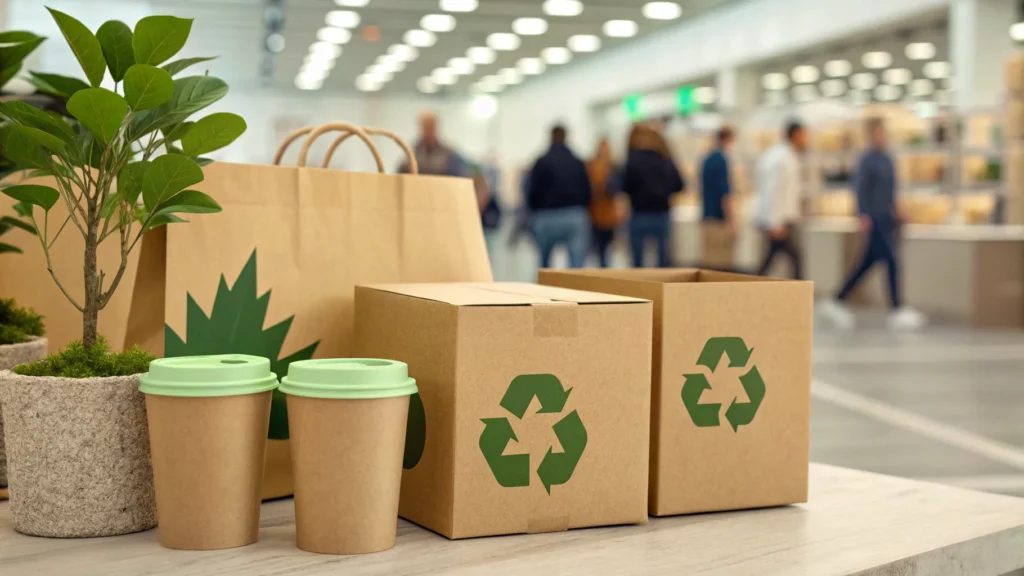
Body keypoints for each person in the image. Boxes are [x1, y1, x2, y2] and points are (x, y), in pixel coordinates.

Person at [819, 119, 927, 331]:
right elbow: (860, 188)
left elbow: (891, 190)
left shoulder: (887, 159)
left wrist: (898, 210)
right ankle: (897, 307)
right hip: (874, 218)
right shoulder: (867, 160)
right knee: (891, 260)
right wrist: (863, 214)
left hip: (887, 219)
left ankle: (837, 299)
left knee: (866, 264)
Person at [527, 125, 592, 269]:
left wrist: (535, 210)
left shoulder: (542, 161)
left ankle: (544, 281)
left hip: (547, 216)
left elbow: (532, 191)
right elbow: (587, 190)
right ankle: (575, 282)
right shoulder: (577, 161)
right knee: (576, 266)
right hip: (574, 215)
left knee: (544, 263)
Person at [623, 125, 685, 268]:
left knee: (637, 262)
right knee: (663, 260)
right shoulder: (664, 158)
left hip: (639, 213)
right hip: (661, 212)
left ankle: (638, 282)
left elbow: (624, 186)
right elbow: (679, 184)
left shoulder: (634, 159)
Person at [754, 121, 808, 279]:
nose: (806, 139)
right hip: (779, 221)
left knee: (773, 258)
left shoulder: (785, 156)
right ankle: (799, 292)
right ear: (796, 135)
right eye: (804, 135)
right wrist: (775, 223)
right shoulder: (781, 159)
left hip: (782, 219)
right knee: (795, 257)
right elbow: (773, 190)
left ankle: (752, 285)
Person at [700, 127, 737, 270]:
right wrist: (732, 220)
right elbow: (725, 194)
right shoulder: (721, 160)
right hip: (719, 219)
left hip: (707, 216)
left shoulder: (707, 158)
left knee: (709, 263)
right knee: (721, 265)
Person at [400, 111, 469, 177]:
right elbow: (402, 172)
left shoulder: (449, 154)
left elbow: (462, 175)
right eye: (425, 125)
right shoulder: (412, 153)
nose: (427, 129)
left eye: (430, 125)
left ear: (435, 126)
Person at [587, 138, 622, 267]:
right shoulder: (591, 167)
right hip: (594, 213)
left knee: (606, 249)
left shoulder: (613, 168)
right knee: (596, 249)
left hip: (608, 215)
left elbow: (615, 189)